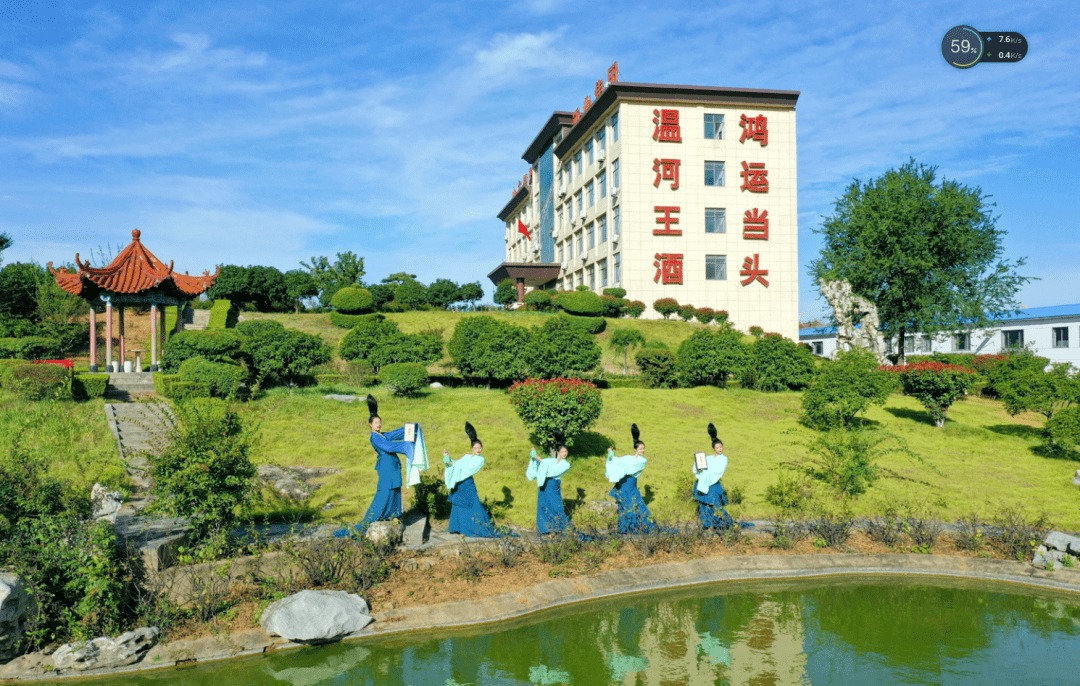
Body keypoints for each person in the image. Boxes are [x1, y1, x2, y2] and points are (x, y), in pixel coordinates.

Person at [334, 394, 427, 538]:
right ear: (370, 425)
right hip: (386, 467)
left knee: (395, 488)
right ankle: (370, 519)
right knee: (385, 490)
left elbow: (395, 434)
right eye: (376, 423)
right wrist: (407, 446)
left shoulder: (383, 435)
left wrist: (411, 428)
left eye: (380, 422)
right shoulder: (375, 437)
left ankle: (394, 514)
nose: (378, 424)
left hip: (393, 466)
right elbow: (390, 447)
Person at [444, 422, 503, 538]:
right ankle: (457, 528)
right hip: (459, 483)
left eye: (479, 448)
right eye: (476, 448)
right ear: (472, 448)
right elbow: (456, 464)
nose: (478, 450)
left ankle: (472, 529)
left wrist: (453, 464)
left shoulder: (480, 460)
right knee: (458, 505)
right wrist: (447, 458)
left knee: (472, 506)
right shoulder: (466, 457)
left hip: (467, 484)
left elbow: (467, 470)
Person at [606, 423, 656, 534]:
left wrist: (621, 466)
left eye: (643, 448)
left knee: (636, 505)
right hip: (622, 484)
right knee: (623, 506)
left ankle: (641, 526)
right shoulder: (628, 458)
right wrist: (611, 454)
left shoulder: (643, 461)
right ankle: (623, 529)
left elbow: (629, 469)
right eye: (640, 448)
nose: (642, 450)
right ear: (635, 449)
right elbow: (617, 462)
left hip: (630, 485)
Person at [527, 435, 573, 534]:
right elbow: (543, 465)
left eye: (566, 451)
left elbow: (553, 471)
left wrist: (541, 460)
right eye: (562, 452)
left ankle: (564, 528)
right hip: (544, 485)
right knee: (544, 505)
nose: (564, 453)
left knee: (557, 506)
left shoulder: (566, 464)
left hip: (552, 485)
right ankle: (546, 529)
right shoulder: (551, 461)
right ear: (558, 452)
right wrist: (535, 457)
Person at [694, 423, 734, 530]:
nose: (720, 449)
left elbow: (717, 472)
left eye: (721, 447)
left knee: (716, 505)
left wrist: (705, 472)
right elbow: (698, 468)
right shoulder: (708, 458)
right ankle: (707, 524)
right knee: (703, 505)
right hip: (704, 483)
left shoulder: (724, 459)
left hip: (713, 485)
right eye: (717, 447)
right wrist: (699, 466)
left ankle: (726, 523)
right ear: (713, 448)